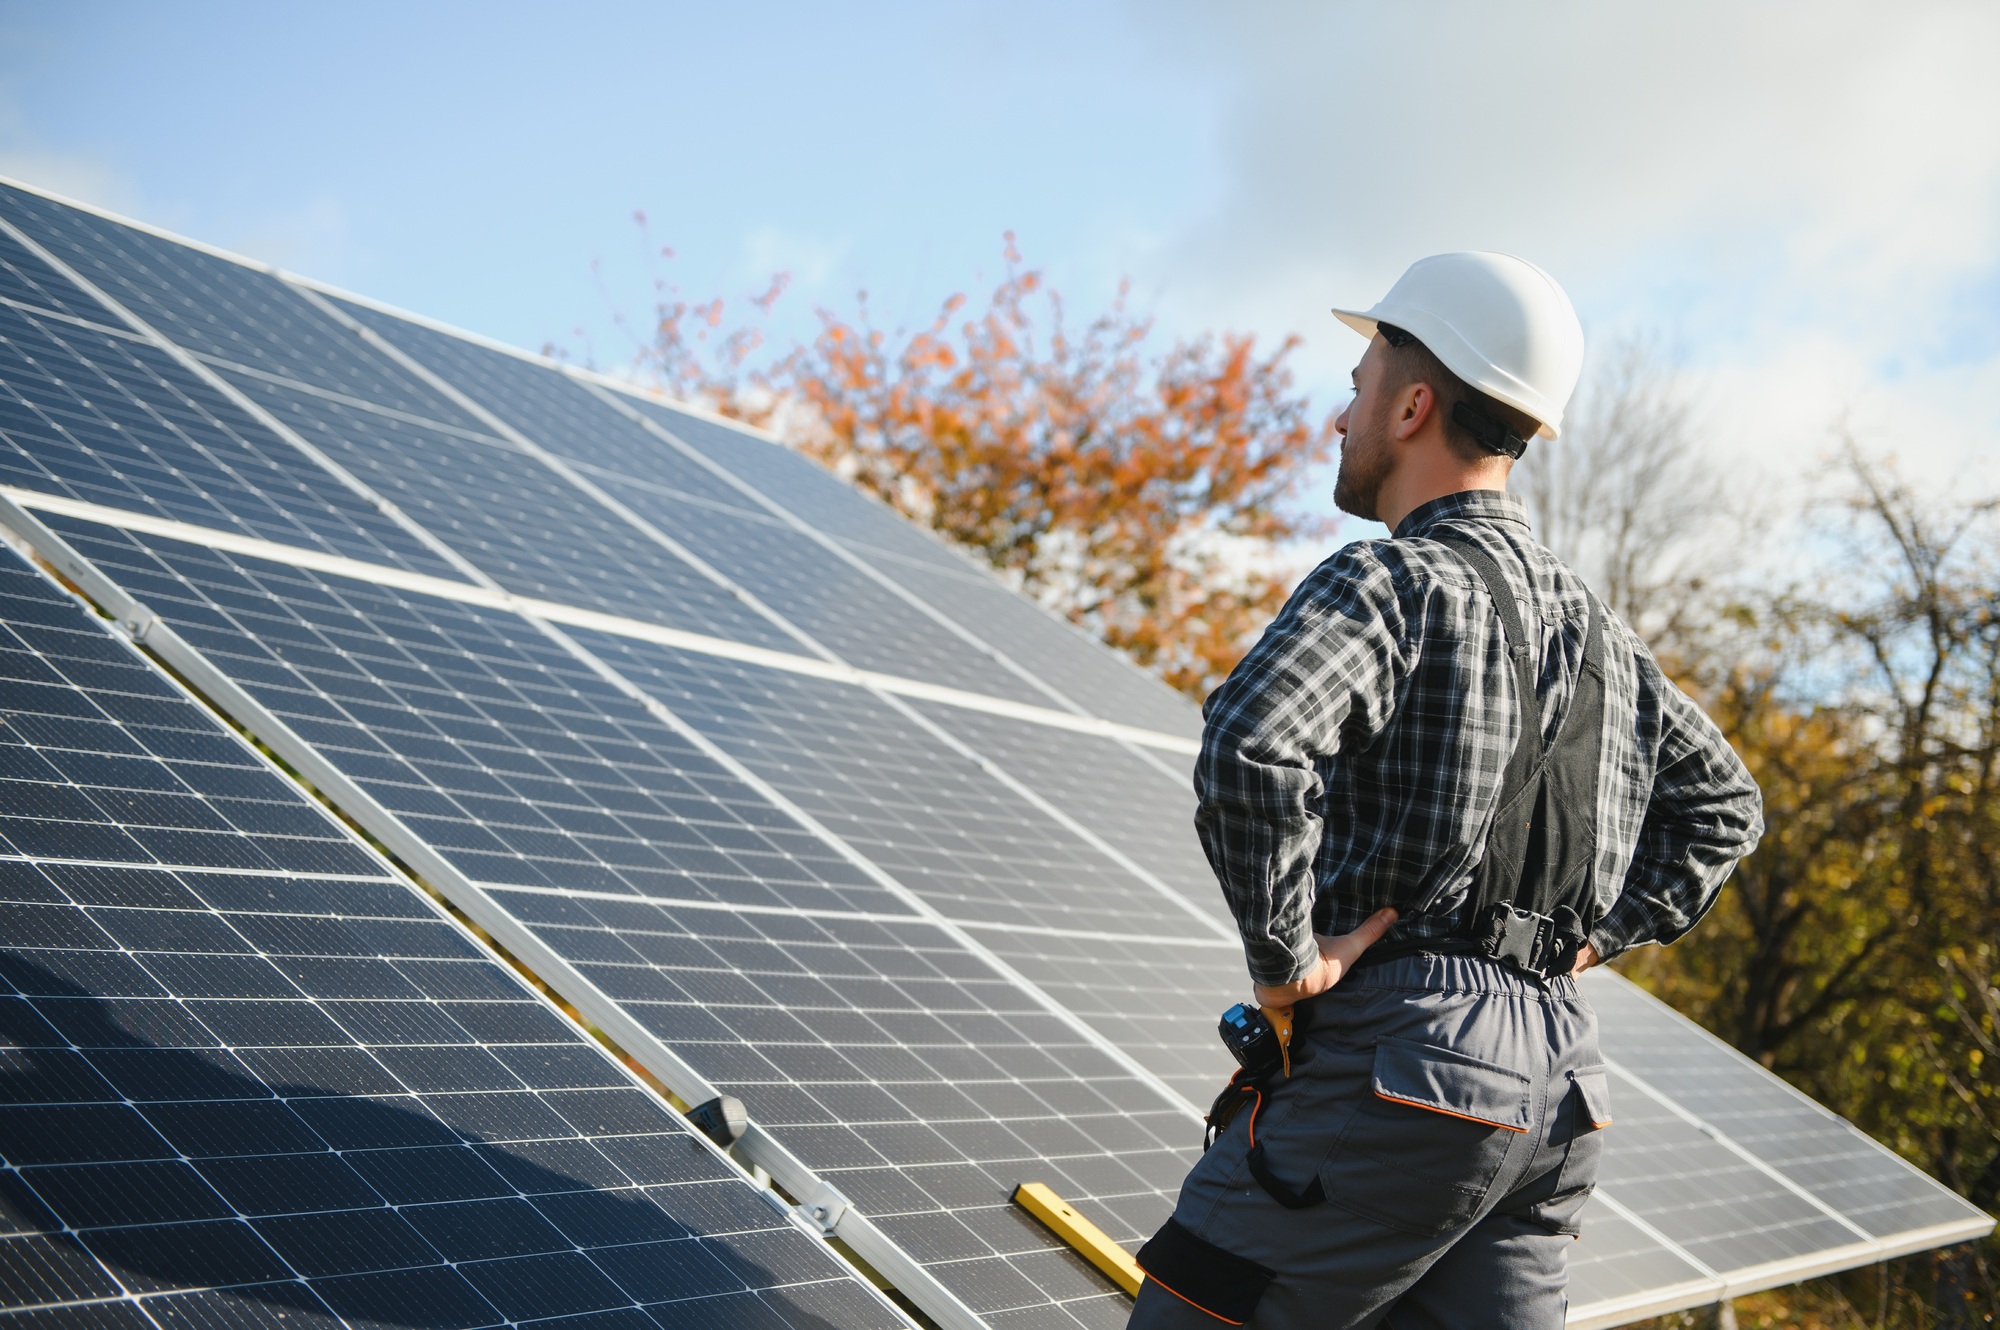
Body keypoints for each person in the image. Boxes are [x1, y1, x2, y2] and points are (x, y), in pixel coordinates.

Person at [1129, 253, 1764, 1329]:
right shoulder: (1602, 637)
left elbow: (1250, 743)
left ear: (1413, 405)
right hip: (1557, 1093)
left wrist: (1284, 964)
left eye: (1356, 386)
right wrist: (1590, 940)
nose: (1340, 418)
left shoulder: (1387, 582)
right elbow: (1723, 807)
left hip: (1404, 1064)